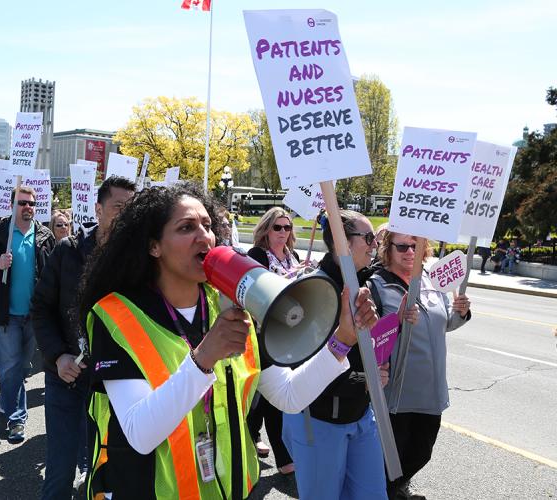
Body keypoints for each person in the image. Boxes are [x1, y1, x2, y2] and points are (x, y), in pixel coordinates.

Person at [79, 183, 377, 499]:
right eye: (186, 227)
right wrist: (204, 358)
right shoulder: (117, 316)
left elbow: (289, 396)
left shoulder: (232, 304)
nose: (204, 236)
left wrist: (343, 339)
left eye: (207, 226)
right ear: (154, 246)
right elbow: (140, 433)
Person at [31, 176, 136, 499]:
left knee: (106, 471)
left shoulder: (140, 260)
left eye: (131, 209)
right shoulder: (68, 252)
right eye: (119, 207)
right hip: (66, 377)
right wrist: (57, 355)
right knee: (60, 471)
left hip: (116, 385)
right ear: (98, 209)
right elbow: (41, 308)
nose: (125, 215)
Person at [281, 210, 398, 499]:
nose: (374, 244)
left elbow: (373, 346)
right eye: (368, 238)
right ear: (342, 243)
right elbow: (297, 369)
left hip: (361, 414)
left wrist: (379, 368)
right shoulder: (312, 291)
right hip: (319, 420)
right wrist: (361, 376)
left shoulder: (367, 285)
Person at [369, 231, 471, 499]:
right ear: (387, 248)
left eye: (415, 245)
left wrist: (459, 312)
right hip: (397, 394)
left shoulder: (430, 279)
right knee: (390, 459)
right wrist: (398, 320)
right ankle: (388, 491)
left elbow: (442, 323)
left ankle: (396, 486)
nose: (409, 252)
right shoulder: (377, 285)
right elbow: (371, 338)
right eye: (402, 246)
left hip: (431, 389)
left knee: (421, 452)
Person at [0, 186, 56, 442]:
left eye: (31, 203)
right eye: (22, 203)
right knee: (10, 368)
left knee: (23, 368)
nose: (28, 207)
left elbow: (53, 274)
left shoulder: (44, 235)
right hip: (5, 316)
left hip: (34, 316)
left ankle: (7, 397)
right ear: (12, 206)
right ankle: (16, 419)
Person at [243, 207, 300, 474]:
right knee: (276, 389)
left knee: (264, 391)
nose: (282, 233)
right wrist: (292, 278)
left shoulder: (294, 256)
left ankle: (250, 432)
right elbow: (260, 292)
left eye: (287, 228)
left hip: (290, 332)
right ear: (266, 229)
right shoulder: (256, 255)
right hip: (263, 332)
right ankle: (283, 456)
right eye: (277, 227)